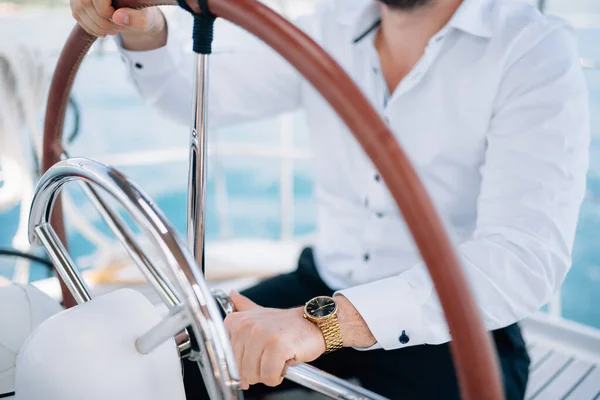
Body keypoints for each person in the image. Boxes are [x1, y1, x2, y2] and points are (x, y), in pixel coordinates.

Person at [70, 0, 590, 398]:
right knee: (151, 378)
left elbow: (522, 256)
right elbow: (186, 93)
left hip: (456, 330)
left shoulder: (532, 48)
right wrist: (149, 30)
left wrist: (325, 324)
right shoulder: (329, 26)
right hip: (318, 286)